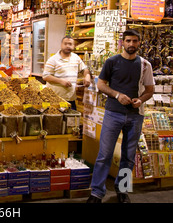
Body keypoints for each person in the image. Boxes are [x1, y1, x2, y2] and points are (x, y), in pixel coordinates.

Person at [87, 29, 154, 203]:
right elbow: (100, 85)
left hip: (135, 116)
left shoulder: (145, 65)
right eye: (128, 41)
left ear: (139, 43)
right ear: (122, 43)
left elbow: (149, 90)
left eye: (135, 41)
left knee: (128, 156)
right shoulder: (112, 62)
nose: (131, 44)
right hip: (113, 113)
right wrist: (117, 95)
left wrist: (140, 100)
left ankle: (122, 189)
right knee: (105, 154)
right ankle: (96, 192)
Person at [42, 36, 91, 110]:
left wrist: (87, 76)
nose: (67, 46)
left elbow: (84, 69)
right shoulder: (53, 60)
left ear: (74, 46)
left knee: (71, 120)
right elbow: (45, 76)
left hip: (71, 98)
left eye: (70, 44)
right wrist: (61, 81)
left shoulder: (76, 58)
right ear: (61, 45)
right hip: (56, 99)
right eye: (65, 44)